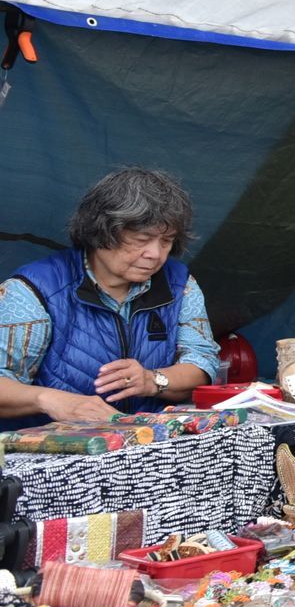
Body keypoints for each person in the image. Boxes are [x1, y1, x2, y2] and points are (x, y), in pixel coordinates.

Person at [0, 168, 219, 429]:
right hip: (53, 455)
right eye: (142, 239)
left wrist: (152, 380)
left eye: (166, 241)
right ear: (101, 231)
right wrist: (50, 399)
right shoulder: (33, 290)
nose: (155, 253)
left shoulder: (180, 284)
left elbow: (202, 364)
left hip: (150, 444)